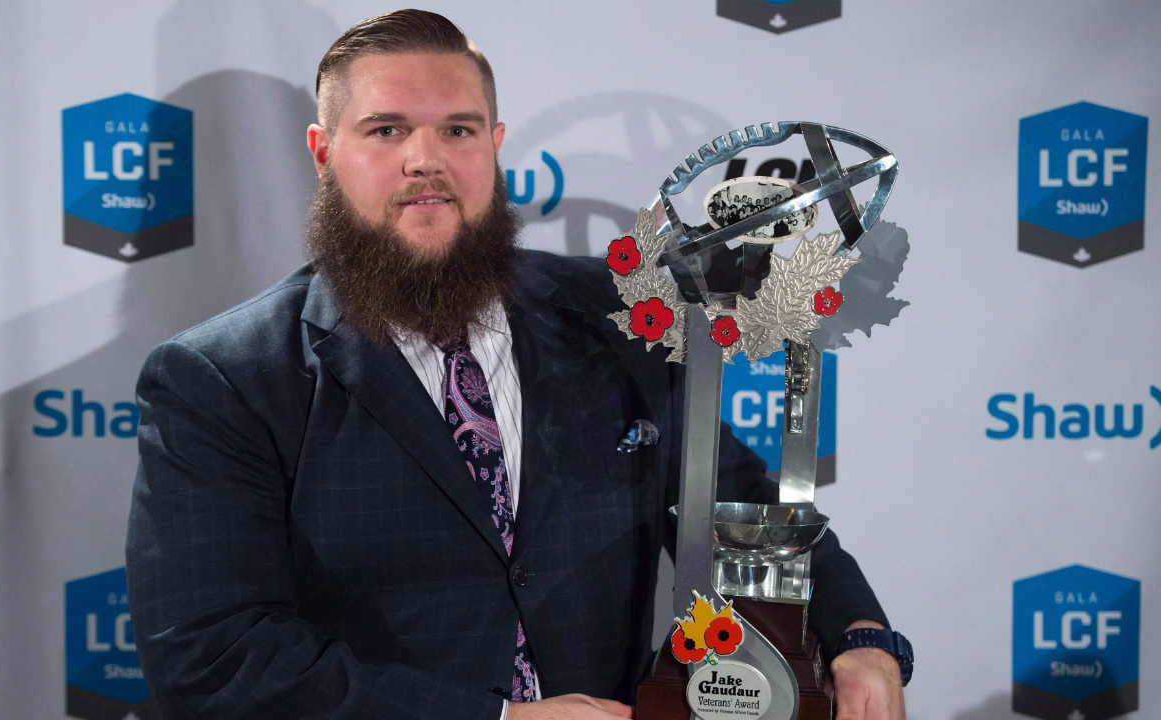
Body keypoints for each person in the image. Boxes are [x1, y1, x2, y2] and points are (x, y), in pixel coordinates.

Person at [126, 9, 909, 720]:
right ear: (324, 152)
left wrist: (855, 630)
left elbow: (733, 497)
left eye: (458, 131)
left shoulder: (618, 315)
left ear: (495, 147)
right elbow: (213, 658)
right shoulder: (224, 379)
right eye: (387, 131)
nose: (425, 161)